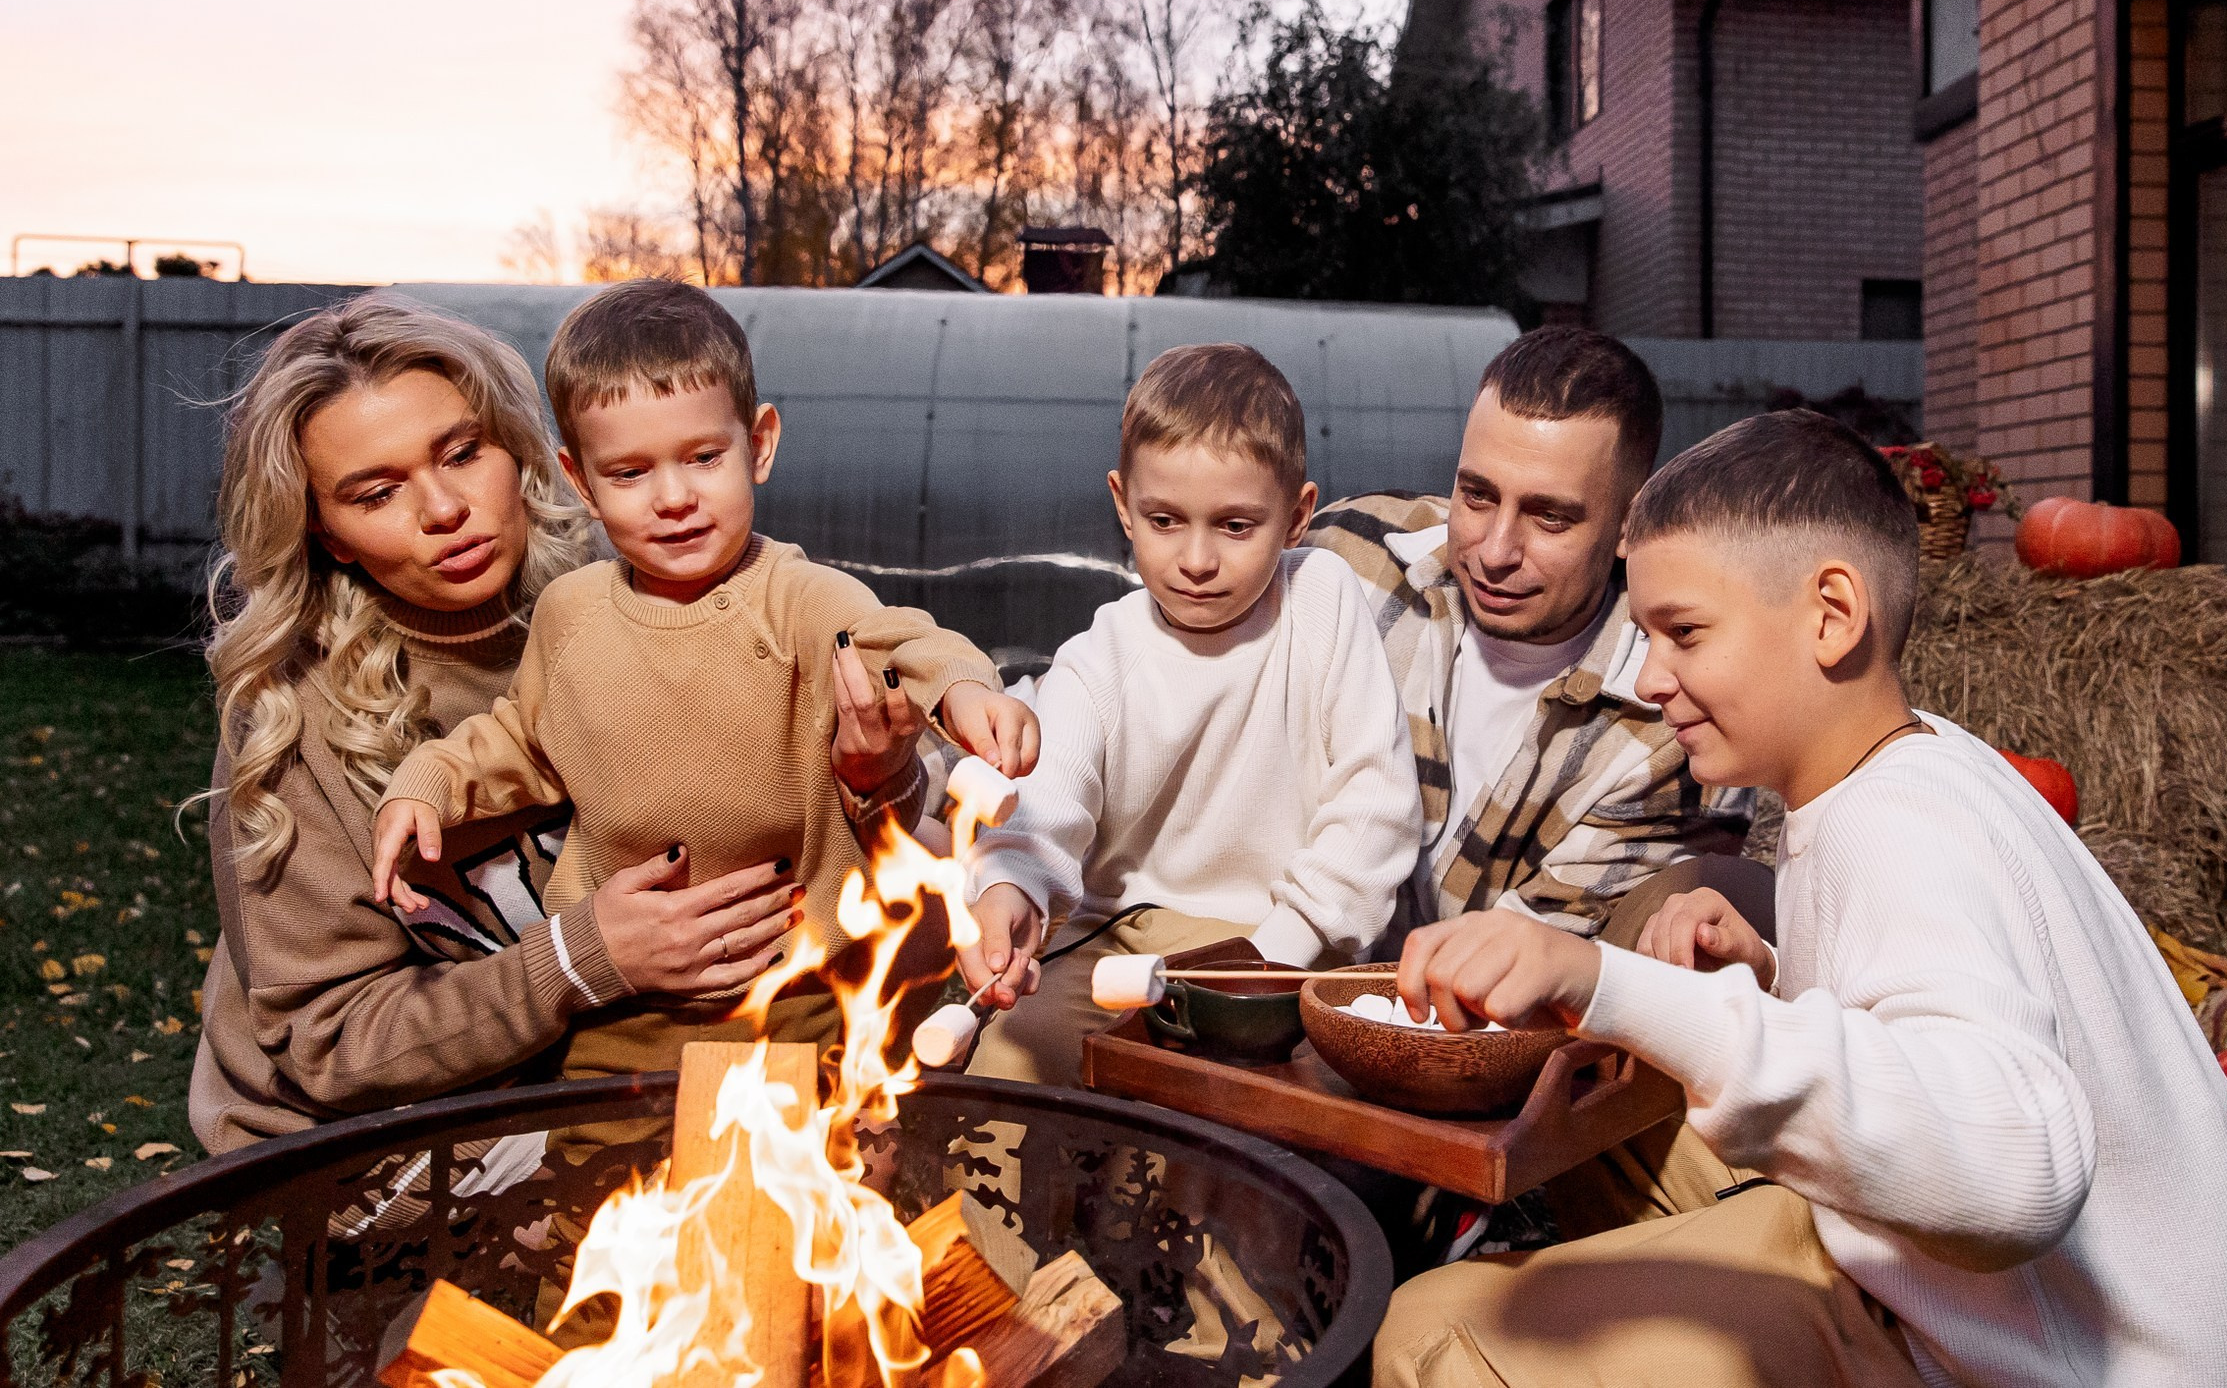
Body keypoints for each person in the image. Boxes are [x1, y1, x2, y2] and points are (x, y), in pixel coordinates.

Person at [1373, 410, 2227, 1388]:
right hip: (2032, 1313)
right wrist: (1771, 977)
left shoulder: (1897, 826)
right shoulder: (1917, 761)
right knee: (1641, 1094)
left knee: (1431, 1330)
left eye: (1683, 633)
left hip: (2032, 1356)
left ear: (1831, 615)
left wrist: (1600, 979)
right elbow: (1927, 1024)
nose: (1649, 676)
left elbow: (2020, 1165)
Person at [369, 280, 1038, 1082]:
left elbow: (900, 640)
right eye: (629, 473)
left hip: (790, 983)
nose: (675, 497)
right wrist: (430, 780)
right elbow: (520, 737)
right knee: (601, 1177)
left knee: (805, 1178)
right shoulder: (572, 613)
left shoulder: (798, 596)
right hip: (622, 1001)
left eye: (703, 457)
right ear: (579, 480)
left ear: (759, 443)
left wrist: (961, 689)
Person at [189, 293, 809, 1154]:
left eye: (462, 453)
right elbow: (327, 1044)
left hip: (601, 1081)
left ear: (517, 450)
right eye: (376, 493)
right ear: (326, 532)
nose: (444, 509)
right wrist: (581, 958)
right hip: (381, 1151)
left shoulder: (619, 609)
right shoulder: (296, 720)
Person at [955, 343, 1426, 1086]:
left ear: (1297, 515)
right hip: (1114, 940)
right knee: (1009, 1059)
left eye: (1236, 525)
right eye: (1165, 519)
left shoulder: (1325, 601)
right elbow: (1048, 801)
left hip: (1286, 945)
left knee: (1274, 1118)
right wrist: (1010, 886)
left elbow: (1376, 805)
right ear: (1123, 505)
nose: (1196, 559)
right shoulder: (1100, 654)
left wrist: (1275, 954)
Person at [1304, 326, 1758, 948]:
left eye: (1550, 517)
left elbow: (1525, 982)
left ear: (1631, 524)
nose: (1495, 552)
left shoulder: (1678, 740)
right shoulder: (1344, 554)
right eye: (1478, 495)